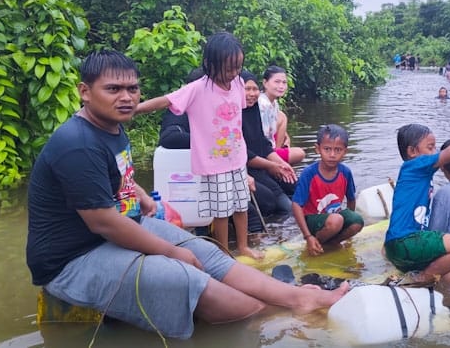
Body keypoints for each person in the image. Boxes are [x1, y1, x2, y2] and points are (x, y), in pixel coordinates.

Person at [25, 50, 349, 340]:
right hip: (74, 258)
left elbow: (113, 176)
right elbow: (104, 223)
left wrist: (141, 195)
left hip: (117, 230)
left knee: (205, 252)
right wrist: (170, 252)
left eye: (132, 89)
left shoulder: (111, 126)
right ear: (85, 92)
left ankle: (296, 298)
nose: (126, 97)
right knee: (184, 276)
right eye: (113, 89)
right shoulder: (77, 143)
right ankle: (273, 312)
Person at [136, 32, 261, 259]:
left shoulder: (238, 83)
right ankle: (224, 253)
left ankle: (243, 246)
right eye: (229, 68)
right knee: (221, 212)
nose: (233, 73)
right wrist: (134, 109)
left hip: (237, 158)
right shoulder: (198, 88)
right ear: (210, 64)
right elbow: (165, 100)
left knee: (242, 205)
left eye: (238, 67)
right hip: (214, 163)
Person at [384, 111, 450, 287]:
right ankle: (424, 279)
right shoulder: (416, 166)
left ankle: (425, 281)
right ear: (412, 151)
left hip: (400, 246)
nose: (435, 152)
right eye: (430, 147)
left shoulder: (415, 173)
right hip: (406, 242)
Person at [157, 67, 266, 234]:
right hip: (197, 178)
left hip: (224, 170)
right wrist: (205, 142)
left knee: (254, 206)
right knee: (244, 212)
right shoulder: (182, 110)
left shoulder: (218, 106)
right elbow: (169, 138)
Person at [292, 124, 364, 256]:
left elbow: (351, 200)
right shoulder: (309, 173)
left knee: (357, 221)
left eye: (338, 150)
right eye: (327, 149)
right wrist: (308, 236)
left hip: (333, 219)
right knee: (336, 220)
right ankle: (314, 242)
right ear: (317, 149)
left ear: (345, 151)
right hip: (313, 220)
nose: (332, 155)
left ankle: (330, 244)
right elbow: (296, 204)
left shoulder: (345, 172)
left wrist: (349, 224)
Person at [241, 69, 297, 217]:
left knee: (293, 184)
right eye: (247, 89)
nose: (252, 94)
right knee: (270, 201)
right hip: (244, 168)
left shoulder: (252, 111)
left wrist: (281, 164)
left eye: (254, 89)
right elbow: (242, 153)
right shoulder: (232, 115)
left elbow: (263, 143)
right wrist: (272, 166)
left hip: (260, 164)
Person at [258, 66, 306, 166]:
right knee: (300, 153)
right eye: (277, 82)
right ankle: (275, 156)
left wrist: (286, 136)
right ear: (265, 83)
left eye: (284, 83)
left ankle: (277, 153)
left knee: (281, 116)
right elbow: (263, 135)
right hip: (263, 150)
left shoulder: (273, 103)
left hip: (267, 142)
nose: (281, 86)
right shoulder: (263, 104)